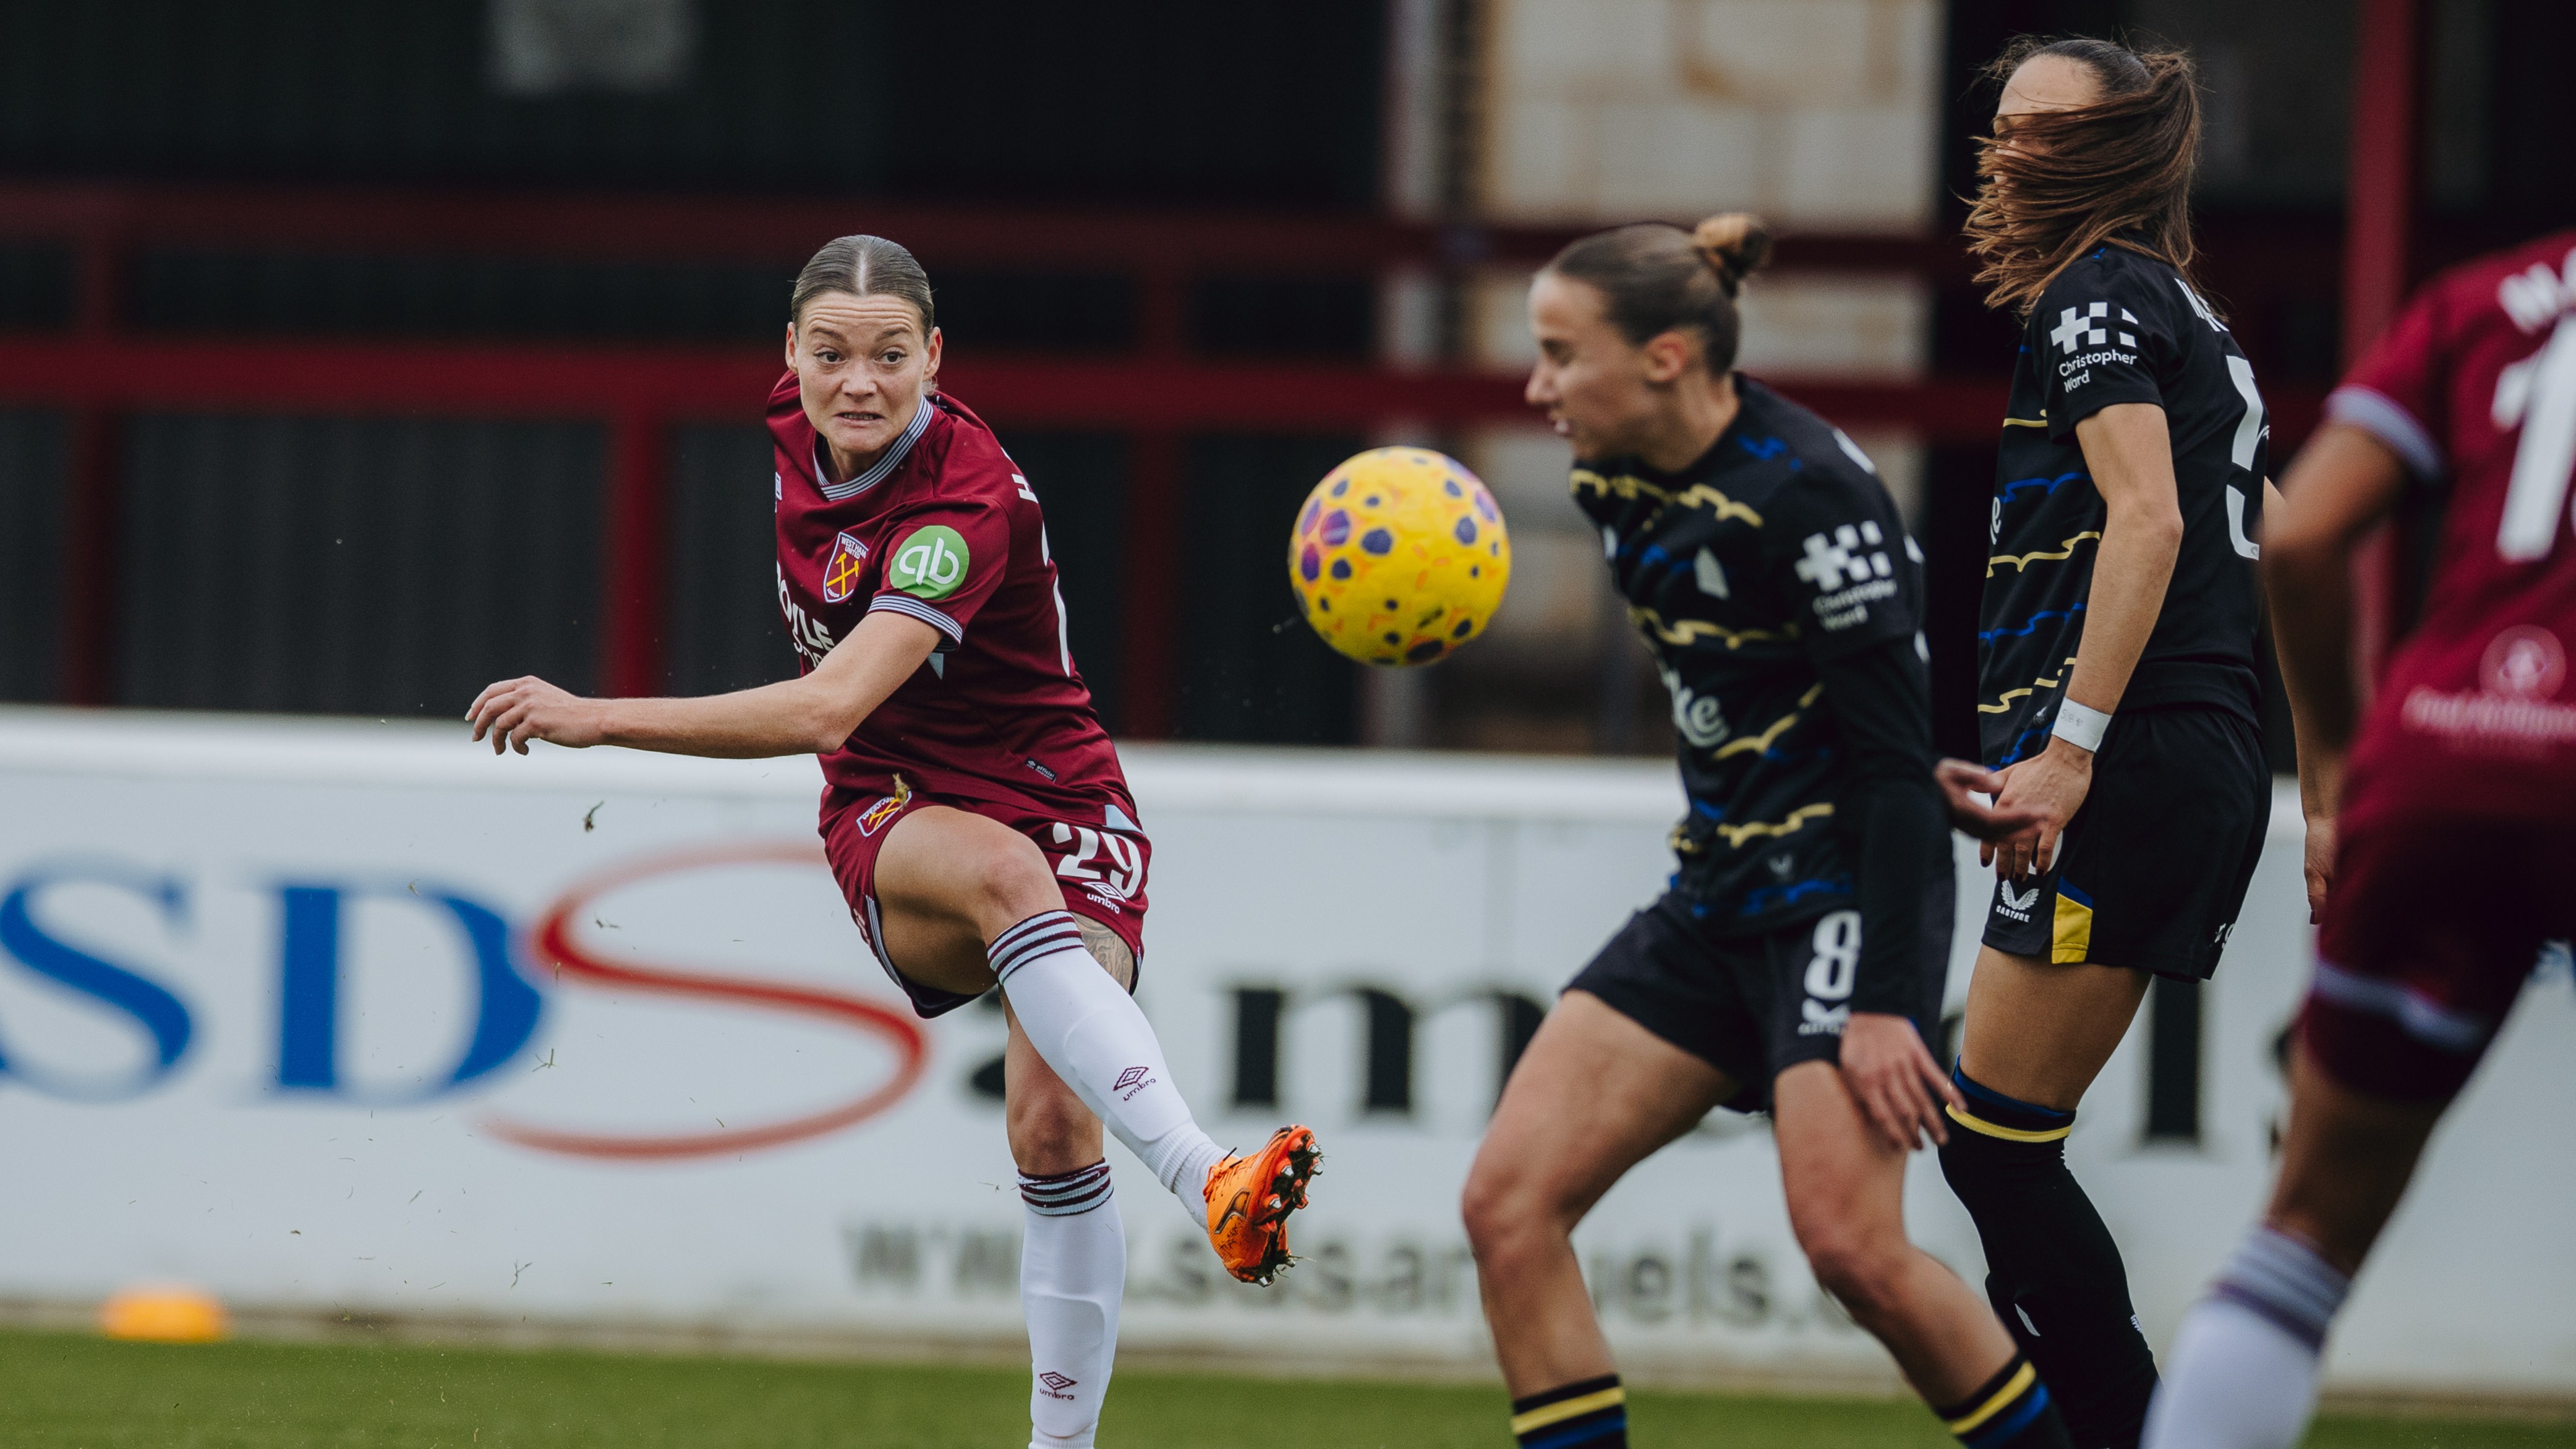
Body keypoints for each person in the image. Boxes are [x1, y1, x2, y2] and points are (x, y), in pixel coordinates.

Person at [466, 234, 1320, 1449]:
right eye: (829, 353)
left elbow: (824, 706)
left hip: (1061, 793)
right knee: (1003, 877)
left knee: (1053, 1126)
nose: (857, 383)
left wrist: (596, 715)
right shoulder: (800, 419)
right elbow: (848, 735)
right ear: (789, 356)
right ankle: (1205, 1173)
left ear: (935, 358)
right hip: (892, 794)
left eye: (888, 356)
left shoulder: (959, 502)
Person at [1460, 212, 2067, 1449]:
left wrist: (1885, 1001)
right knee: (1506, 1206)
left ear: (1666, 357)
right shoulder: (1615, 482)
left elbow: (1890, 765)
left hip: (1839, 893)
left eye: (1561, 354)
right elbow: (1768, 697)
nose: (1537, 388)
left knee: (1854, 1251)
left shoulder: (1811, 498)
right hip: (1718, 891)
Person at [2139, 229, 2576, 1446]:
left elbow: (2300, 534)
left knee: (2304, 1239)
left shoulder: (2488, 300)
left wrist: (2347, 751)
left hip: (2444, 767)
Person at [1943, 38, 2278, 1448]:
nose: (2007, 155)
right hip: (2184, 751)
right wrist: (2324, 786)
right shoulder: (2189, 314)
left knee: (1996, 1149)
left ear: (2115, 155)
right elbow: (2279, 549)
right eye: (2003, 128)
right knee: (1998, 1146)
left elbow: (2149, 519)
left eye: (2042, 133)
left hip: (2129, 757)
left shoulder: (2094, 296)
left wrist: (2070, 750)